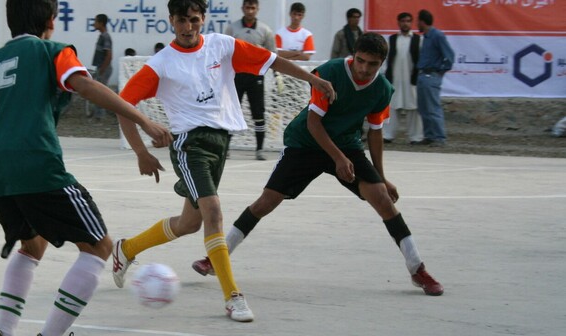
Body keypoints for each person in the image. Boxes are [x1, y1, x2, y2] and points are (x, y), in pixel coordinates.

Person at [0, 0, 171, 336]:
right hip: (36, 163)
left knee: (32, 243)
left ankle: (2, 334)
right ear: (50, 21)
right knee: (100, 247)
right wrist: (144, 120)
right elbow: (85, 86)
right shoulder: (52, 52)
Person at [115, 0, 336, 322]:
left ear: (203, 19)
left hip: (220, 143)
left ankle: (127, 248)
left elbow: (271, 60)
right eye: (181, 20)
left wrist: (312, 79)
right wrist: (141, 152)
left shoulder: (222, 46)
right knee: (214, 213)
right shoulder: (162, 64)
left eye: (193, 20)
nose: (188, 27)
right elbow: (123, 105)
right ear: (171, 21)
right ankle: (233, 297)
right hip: (189, 145)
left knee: (189, 223)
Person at [190, 33, 444, 297]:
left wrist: (381, 176)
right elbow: (314, 123)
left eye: (372, 64)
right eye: (360, 61)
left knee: (383, 200)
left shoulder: (382, 89)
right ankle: (215, 259)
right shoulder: (330, 72)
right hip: (306, 143)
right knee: (265, 202)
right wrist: (337, 158)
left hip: (346, 145)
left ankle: (417, 269)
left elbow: (375, 132)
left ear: (381, 64)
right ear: (353, 55)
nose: (364, 69)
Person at [224, 0, 277, 161]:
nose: (250, 11)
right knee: (232, 112)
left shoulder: (265, 30)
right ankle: (225, 148)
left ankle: (259, 149)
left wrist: (276, 75)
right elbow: (224, 50)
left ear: (257, 9)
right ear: (243, 8)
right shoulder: (233, 28)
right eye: (247, 7)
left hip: (256, 77)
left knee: (258, 113)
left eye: (253, 8)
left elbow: (272, 54)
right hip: (237, 75)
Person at [415, 9, 454, 147]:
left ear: (422, 21)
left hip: (431, 75)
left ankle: (439, 137)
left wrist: (440, 71)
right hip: (422, 75)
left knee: (432, 107)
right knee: (423, 107)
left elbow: (449, 56)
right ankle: (429, 136)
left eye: (417, 21)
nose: (416, 24)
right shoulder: (425, 37)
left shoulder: (437, 36)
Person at [384, 12, 423, 145]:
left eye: (408, 21)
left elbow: (421, 60)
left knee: (414, 109)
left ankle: (416, 137)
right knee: (392, 108)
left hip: (412, 80)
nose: (405, 23)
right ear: (398, 23)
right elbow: (387, 60)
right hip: (395, 79)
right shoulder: (392, 39)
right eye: (403, 21)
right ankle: (387, 135)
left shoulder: (418, 39)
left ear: (411, 23)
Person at [91, 13, 113, 119]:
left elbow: (109, 56)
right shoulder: (102, 36)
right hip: (100, 67)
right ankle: (97, 113)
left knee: (100, 92)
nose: (94, 24)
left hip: (104, 68)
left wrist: (102, 70)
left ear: (101, 23)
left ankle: (100, 115)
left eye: (95, 21)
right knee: (97, 91)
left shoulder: (105, 37)